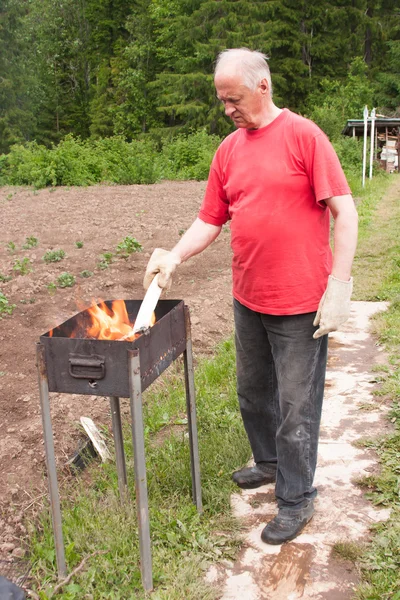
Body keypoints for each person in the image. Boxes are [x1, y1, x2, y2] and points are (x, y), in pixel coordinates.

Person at [143, 48, 358, 544]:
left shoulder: (304, 136)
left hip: (302, 301)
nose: (227, 109)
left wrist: (340, 286)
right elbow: (210, 220)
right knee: (253, 392)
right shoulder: (229, 150)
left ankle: (297, 497)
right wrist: (174, 255)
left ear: (262, 87)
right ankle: (268, 463)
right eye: (221, 100)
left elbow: (344, 212)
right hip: (249, 297)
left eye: (233, 99)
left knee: (296, 406)